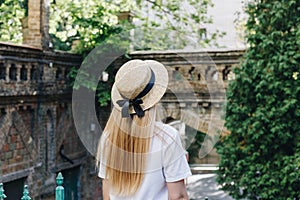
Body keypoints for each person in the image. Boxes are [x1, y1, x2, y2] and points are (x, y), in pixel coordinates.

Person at [96, 59, 191, 200]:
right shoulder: (167, 137)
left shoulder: (108, 137)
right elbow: (178, 196)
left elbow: (107, 195)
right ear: (154, 99)